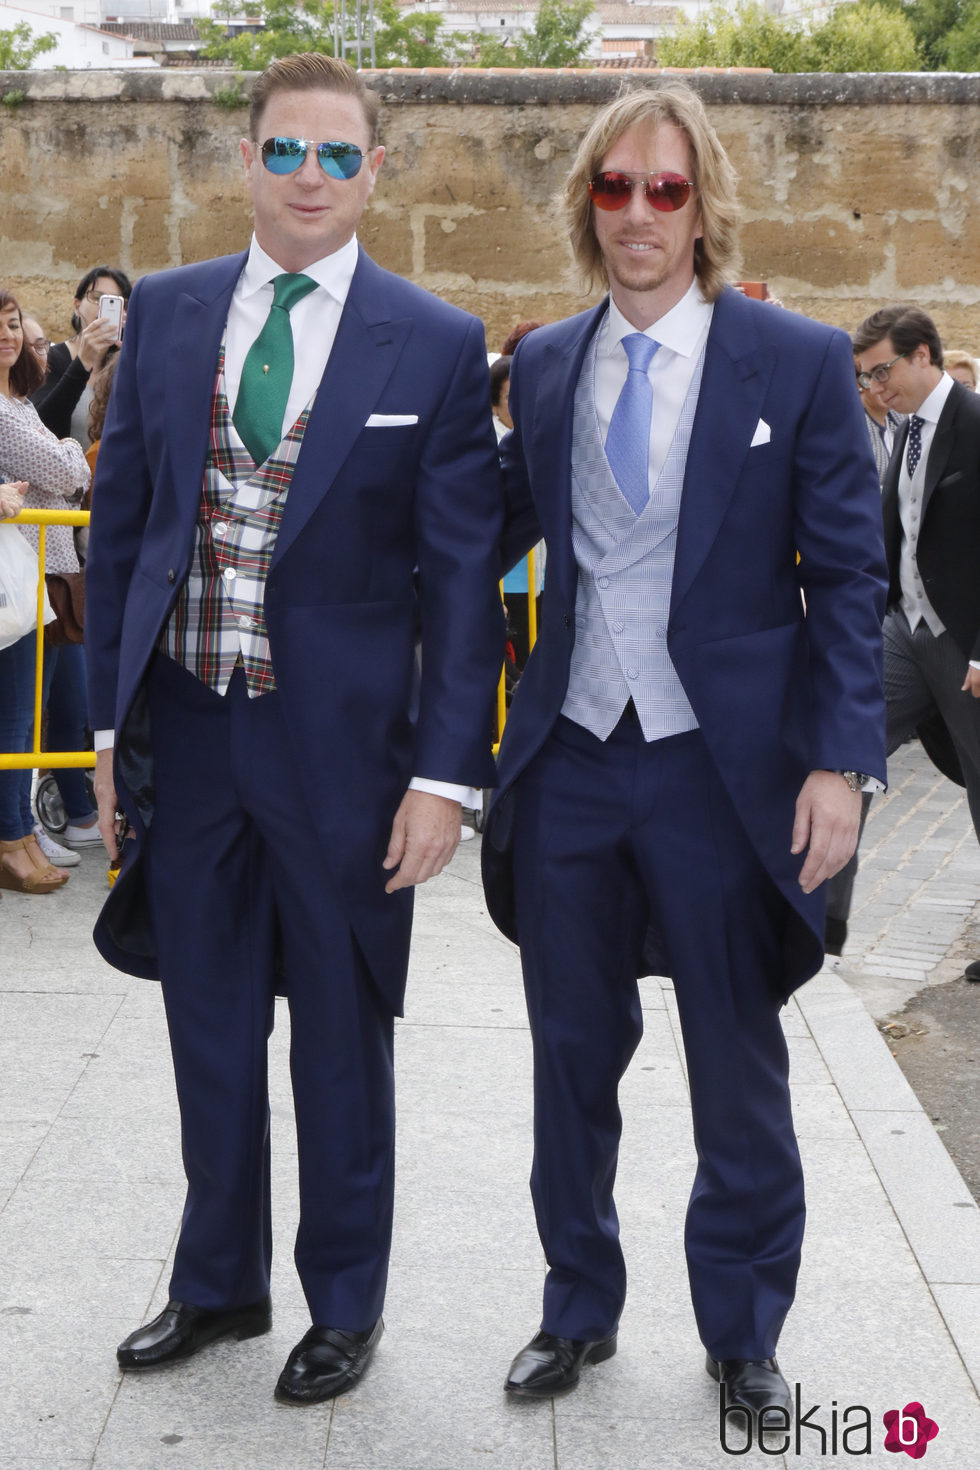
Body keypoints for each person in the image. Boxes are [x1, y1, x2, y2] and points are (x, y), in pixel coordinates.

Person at [85, 52, 502, 1404]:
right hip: (194, 736)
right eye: (286, 152)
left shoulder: (432, 340)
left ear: (376, 170)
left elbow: (459, 578)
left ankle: (346, 1300)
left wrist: (446, 774)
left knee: (338, 1030)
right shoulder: (168, 310)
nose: (310, 177)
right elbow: (127, 526)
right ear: (243, 159)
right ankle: (216, 1282)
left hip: (347, 756)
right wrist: (106, 730)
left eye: (338, 155)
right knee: (206, 1023)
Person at [481, 82, 887, 1426]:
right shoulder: (544, 364)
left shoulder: (797, 359)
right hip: (576, 761)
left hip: (727, 773)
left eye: (666, 188)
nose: (640, 213)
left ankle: (745, 1328)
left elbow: (847, 574)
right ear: (585, 204)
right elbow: (475, 536)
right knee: (566, 1053)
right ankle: (576, 1305)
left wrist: (841, 763)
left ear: (702, 203)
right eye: (615, 188)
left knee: (736, 1057)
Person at [851, 305, 980, 986]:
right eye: (865, 377)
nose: (875, 388)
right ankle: (816, 925)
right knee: (847, 744)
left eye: (883, 370)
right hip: (905, 632)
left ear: (924, 355)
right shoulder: (904, 434)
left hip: (967, 641)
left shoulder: (975, 422)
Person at [0, 289, 91, 891]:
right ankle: (12, 836)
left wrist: (65, 459)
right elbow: (68, 472)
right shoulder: (5, 413)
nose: (8, 335)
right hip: (20, 584)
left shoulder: (19, 402)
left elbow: (69, 475)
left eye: (12, 324)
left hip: (47, 579)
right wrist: (68, 455)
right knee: (16, 719)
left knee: (31, 716)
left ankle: (23, 830)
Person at [31, 265, 129, 445]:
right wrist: (83, 361)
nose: (103, 307)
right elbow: (40, 429)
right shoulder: (52, 357)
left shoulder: (126, 361)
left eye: (118, 301)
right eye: (97, 297)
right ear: (77, 305)